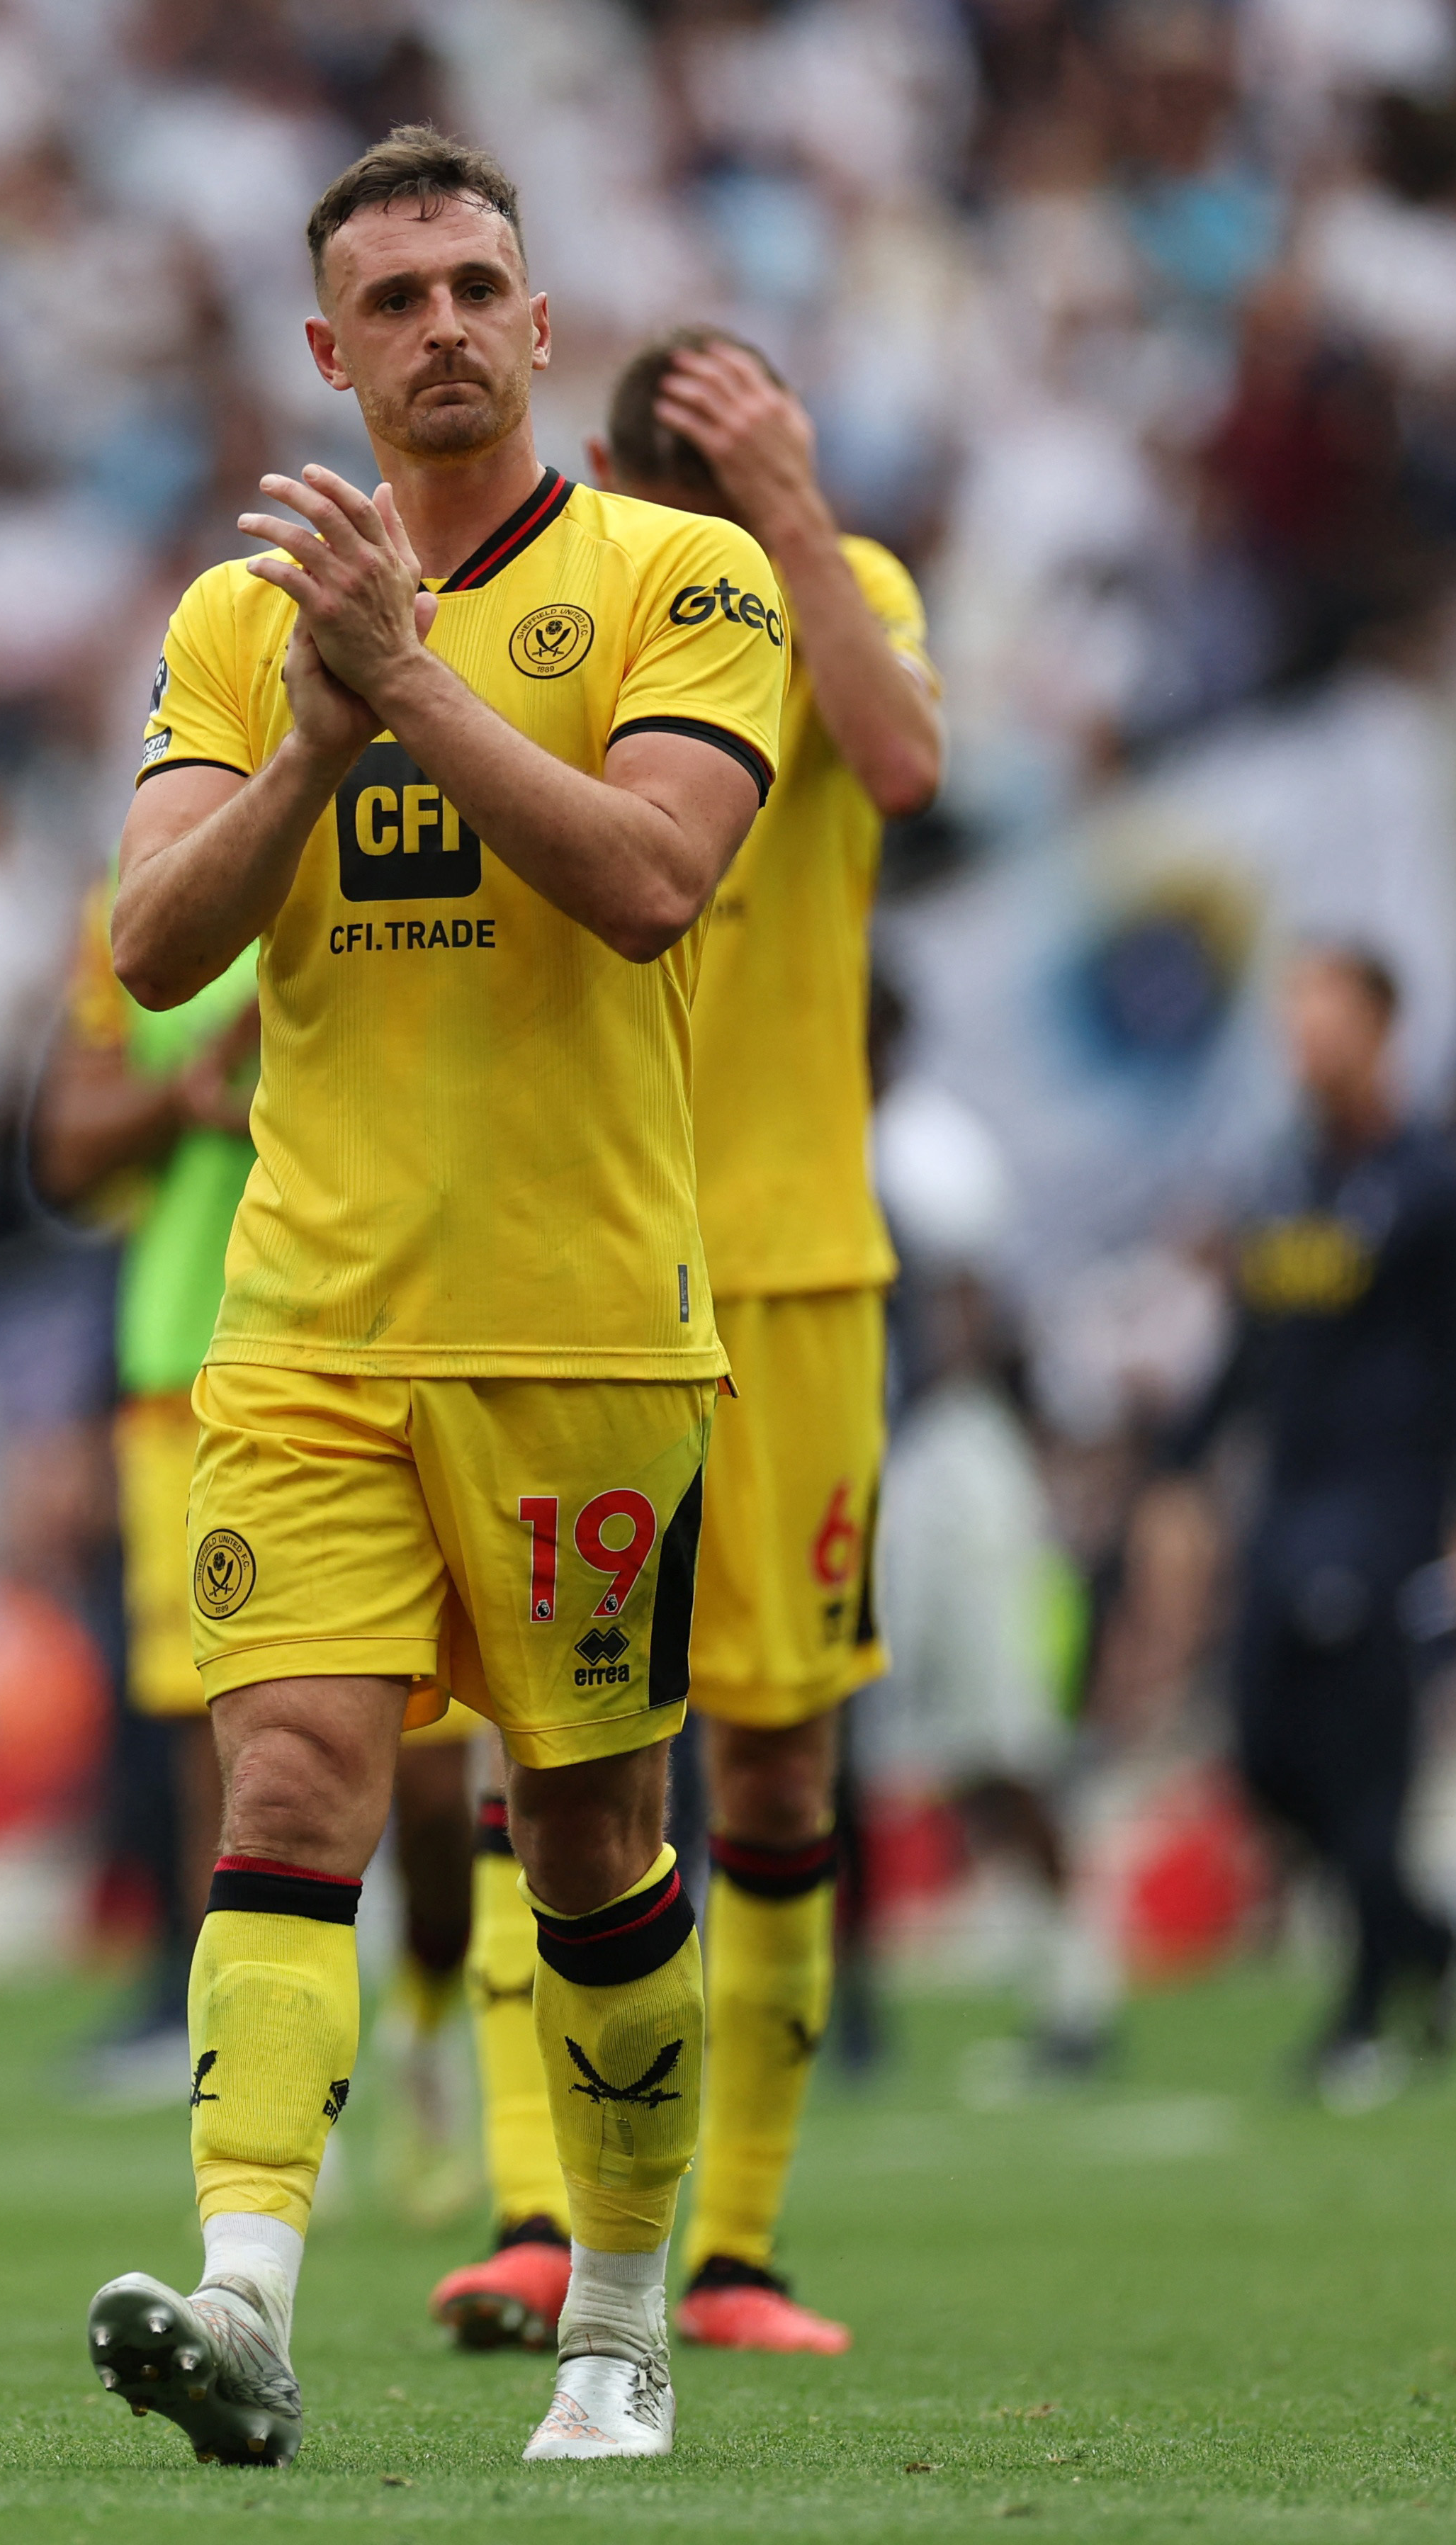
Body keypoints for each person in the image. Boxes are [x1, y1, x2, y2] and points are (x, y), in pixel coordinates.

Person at [82, 126, 786, 2468]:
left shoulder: (685, 581)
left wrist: (416, 689)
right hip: (305, 1326)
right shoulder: (232, 620)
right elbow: (155, 955)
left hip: (589, 1334)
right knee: (286, 1776)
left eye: (481, 284)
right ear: (327, 353)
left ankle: (615, 2317)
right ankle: (250, 2294)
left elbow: (658, 881)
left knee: (587, 1833)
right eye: (394, 301)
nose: (446, 329)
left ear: (545, 316)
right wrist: (313, 725)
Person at [439, 327, 945, 2359]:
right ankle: (540, 2214)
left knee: (778, 1746)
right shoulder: (572, 620)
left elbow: (905, 768)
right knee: (545, 1742)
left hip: (801, 1265)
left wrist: (803, 516)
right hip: (586, 1258)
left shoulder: (852, 591)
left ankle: (733, 2252)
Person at [35, 896, 491, 2200]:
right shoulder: (152, 895)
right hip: (194, 1366)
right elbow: (65, 1146)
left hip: (410, 1344)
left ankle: (420, 2034)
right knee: (223, 1765)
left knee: (446, 1787)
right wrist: (184, 1101)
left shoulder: (419, 857)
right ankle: (269, 2109)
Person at [1158, 944, 1456, 2111]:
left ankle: (1362, 2015)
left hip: (1388, 1507)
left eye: (1325, 1011)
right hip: (1289, 1507)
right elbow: (1250, 1346)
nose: (1303, 1034)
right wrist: (1181, 1464)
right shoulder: (1285, 1179)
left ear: (1381, 1024)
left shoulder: (1439, 1184)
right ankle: (1431, 1937)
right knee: (1262, 1758)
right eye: (1292, 1012)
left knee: (1365, 1765)